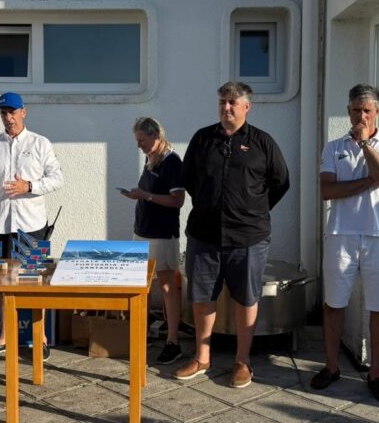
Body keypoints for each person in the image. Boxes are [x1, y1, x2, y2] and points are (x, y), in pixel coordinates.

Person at [176, 82, 290, 388]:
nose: (226, 107)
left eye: (232, 103)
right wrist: (210, 204)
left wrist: (253, 209)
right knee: (202, 297)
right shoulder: (203, 139)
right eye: (222, 102)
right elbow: (189, 179)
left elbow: (281, 181)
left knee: (246, 298)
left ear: (247, 107)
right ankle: (202, 357)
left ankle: (242, 361)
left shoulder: (262, 143)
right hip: (204, 235)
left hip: (249, 238)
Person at [311, 84, 379, 403]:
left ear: (378, 111)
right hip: (341, 235)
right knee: (334, 304)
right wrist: (371, 177)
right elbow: (328, 191)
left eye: (367, 110)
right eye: (356, 110)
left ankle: (376, 373)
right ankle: (332, 367)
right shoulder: (333, 147)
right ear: (348, 111)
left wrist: (367, 146)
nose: (361, 116)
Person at [0, 92, 64, 358]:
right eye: (3, 113)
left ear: (24, 112)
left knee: (34, 282)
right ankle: (4, 336)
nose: (8, 118)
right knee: (2, 282)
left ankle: (40, 337)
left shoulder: (40, 143)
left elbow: (57, 178)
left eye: (12, 112)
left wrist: (29, 186)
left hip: (32, 225)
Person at [121, 117, 186, 365]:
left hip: (162, 234)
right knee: (141, 284)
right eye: (137, 141)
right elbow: (148, 193)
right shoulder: (151, 159)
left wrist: (145, 196)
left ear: (156, 136)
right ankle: (143, 330)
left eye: (142, 140)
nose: (139, 145)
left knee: (167, 286)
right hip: (143, 231)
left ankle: (173, 341)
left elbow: (177, 200)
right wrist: (137, 195)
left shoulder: (171, 161)